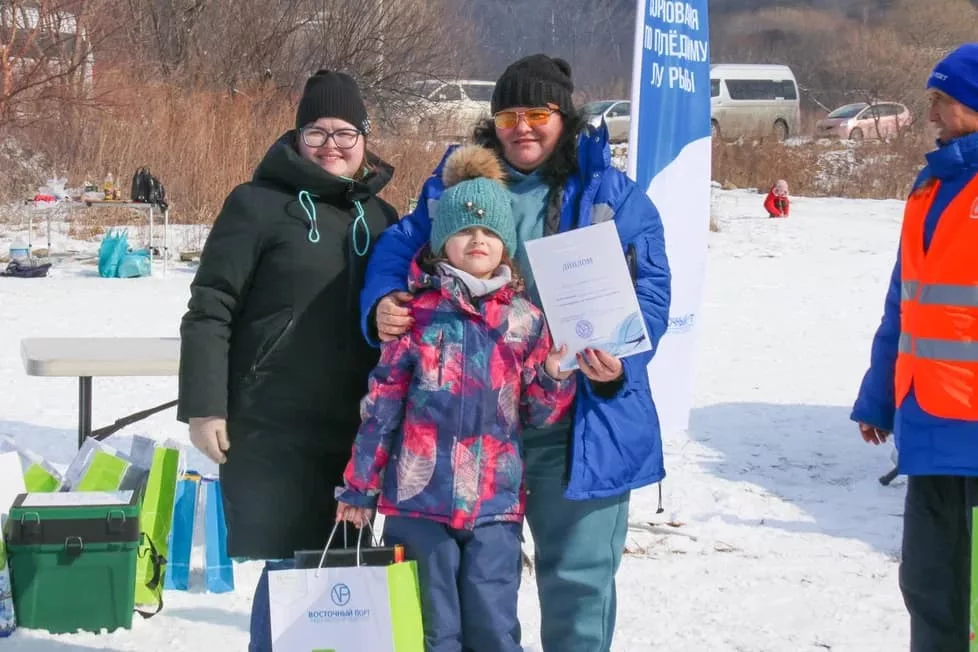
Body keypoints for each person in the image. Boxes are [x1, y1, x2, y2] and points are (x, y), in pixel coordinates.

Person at [360, 54, 672, 651]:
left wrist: (619, 364)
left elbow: (650, 293)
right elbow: (396, 249)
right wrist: (382, 301)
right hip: (469, 434)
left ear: (566, 116)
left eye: (538, 112)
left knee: (578, 587)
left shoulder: (614, 195)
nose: (522, 126)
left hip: (578, 423)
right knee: (468, 603)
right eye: (509, 114)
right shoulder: (458, 188)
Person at [176, 70, 399, 652]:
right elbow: (210, 306)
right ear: (297, 136)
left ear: (366, 136)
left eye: (345, 132)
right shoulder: (258, 204)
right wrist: (204, 407)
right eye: (316, 131)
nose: (332, 144)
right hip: (276, 421)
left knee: (347, 568)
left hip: (356, 425)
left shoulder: (381, 217)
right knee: (291, 568)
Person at [336, 144, 577, 651]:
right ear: (442, 241)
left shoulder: (526, 321)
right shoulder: (413, 316)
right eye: (465, 230)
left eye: (489, 231)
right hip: (418, 503)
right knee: (432, 630)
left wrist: (554, 374)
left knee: (493, 626)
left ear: (505, 245)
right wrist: (359, 488)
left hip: (495, 506)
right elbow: (380, 410)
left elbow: (537, 412)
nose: (477, 240)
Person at [851, 42, 978, 652]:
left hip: (974, 435)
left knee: (971, 601)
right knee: (928, 587)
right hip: (928, 427)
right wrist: (878, 397)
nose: (931, 114)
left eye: (944, 101)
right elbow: (904, 304)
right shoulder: (930, 188)